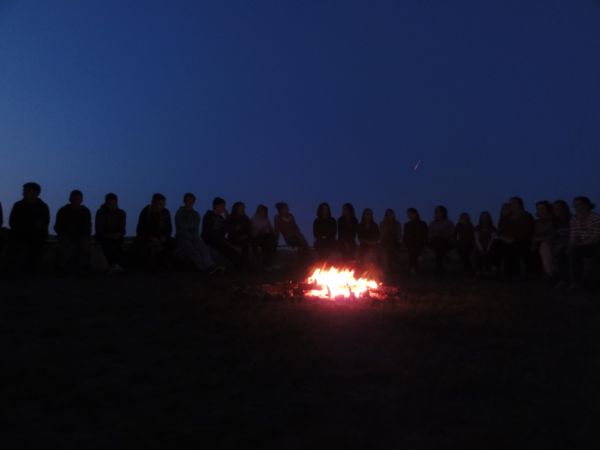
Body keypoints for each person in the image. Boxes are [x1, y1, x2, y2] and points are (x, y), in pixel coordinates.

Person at [8, 182, 51, 272]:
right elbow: (12, 222)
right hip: (20, 235)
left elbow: (44, 224)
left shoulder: (42, 207)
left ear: (35, 193)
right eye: (24, 191)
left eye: (26, 191)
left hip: (36, 236)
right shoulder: (18, 205)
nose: (23, 193)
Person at [174, 193, 220, 273]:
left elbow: (196, 227)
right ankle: (203, 269)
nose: (190, 202)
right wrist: (190, 229)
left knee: (203, 248)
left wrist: (193, 234)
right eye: (188, 200)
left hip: (194, 237)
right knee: (192, 251)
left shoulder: (196, 214)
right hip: (182, 238)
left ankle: (210, 265)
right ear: (184, 201)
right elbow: (182, 227)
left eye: (192, 201)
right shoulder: (180, 213)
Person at [54, 190, 92, 273]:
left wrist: (85, 236)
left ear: (81, 200)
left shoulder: (85, 211)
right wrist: (64, 233)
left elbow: (88, 227)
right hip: (66, 235)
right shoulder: (63, 211)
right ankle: (60, 268)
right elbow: (58, 226)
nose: (76, 201)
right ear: (70, 199)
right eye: (74, 199)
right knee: (64, 245)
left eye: (78, 199)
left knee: (85, 245)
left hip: (81, 236)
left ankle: (85, 268)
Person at [567, 196, 600, 290]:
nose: (575, 207)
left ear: (586, 205)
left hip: (595, 244)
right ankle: (576, 282)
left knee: (596, 254)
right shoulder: (574, 219)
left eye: (578, 205)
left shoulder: (596, 218)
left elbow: (596, 237)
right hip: (583, 244)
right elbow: (573, 235)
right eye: (574, 205)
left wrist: (578, 244)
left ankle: (593, 283)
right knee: (572, 252)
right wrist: (571, 246)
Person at [202, 197, 243, 270]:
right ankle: (240, 267)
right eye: (222, 206)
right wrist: (219, 238)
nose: (224, 208)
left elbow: (227, 229)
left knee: (233, 249)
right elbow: (208, 231)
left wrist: (227, 218)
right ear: (217, 206)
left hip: (219, 240)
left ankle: (241, 266)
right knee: (227, 249)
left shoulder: (221, 218)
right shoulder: (208, 215)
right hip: (211, 240)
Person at [498, 196, 534, 278]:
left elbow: (527, 231)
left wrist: (514, 239)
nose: (512, 205)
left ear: (520, 204)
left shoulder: (526, 216)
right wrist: (504, 237)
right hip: (506, 239)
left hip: (522, 240)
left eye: (514, 203)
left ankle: (513, 272)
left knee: (513, 247)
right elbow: (501, 230)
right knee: (496, 244)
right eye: (511, 203)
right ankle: (493, 269)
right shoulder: (506, 218)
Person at [135, 193, 174, 269]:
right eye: (160, 204)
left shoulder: (166, 213)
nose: (162, 206)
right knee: (140, 244)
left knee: (172, 243)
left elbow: (169, 228)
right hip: (148, 239)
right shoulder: (146, 212)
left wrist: (164, 237)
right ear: (153, 203)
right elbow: (140, 230)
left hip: (161, 239)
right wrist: (150, 238)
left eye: (163, 204)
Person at [95, 193, 127, 273]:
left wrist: (118, 234)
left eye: (114, 204)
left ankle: (116, 265)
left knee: (119, 243)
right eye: (110, 204)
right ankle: (114, 265)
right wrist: (108, 235)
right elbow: (99, 228)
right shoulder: (101, 213)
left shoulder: (121, 213)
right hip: (104, 236)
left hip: (117, 236)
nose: (112, 206)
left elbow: (122, 229)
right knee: (107, 244)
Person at [532, 201, 555, 279]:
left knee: (544, 246)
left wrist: (541, 238)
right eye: (538, 209)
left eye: (543, 208)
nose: (541, 211)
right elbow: (534, 235)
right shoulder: (537, 222)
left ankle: (549, 273)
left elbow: (553, 234)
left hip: (551, 242)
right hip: (539, 242)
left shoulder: (553, 220)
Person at [429, 205, 455, 274]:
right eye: (435, 211)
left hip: (446, 242)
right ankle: (443, 258)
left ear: (443, 213)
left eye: (437, 211)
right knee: (438, 242)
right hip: (435, 242)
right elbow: (430, 234)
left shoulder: (448, 222)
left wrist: (442, 234)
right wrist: (437, 234)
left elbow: (451, 233)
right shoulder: (432, 223)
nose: (435, 213)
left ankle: (439, 267)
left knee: (440, 244)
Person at [251, 204, 278, 270]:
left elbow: (270, 228)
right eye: (260, 210)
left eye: (263, 211)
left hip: (264, 238)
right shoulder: (254, 219)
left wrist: (274, 234)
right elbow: (253, 231)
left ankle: (266, 264)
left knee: (270, 239)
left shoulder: (266, 219)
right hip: (256, 238)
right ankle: (264, 265)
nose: (262, 212)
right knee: (268, 241)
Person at [551, 200, 571, 287]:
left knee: (562, 252)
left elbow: (574, 235)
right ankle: (551, 275)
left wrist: (563, 244)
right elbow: (553, 235)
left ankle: (563, 279)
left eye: (558, 208)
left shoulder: (571, 219)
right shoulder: (554, 222)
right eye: (554, 208)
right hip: (558, 243)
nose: (556, 210)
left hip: (570, 243)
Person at [404, 208, 428, 274]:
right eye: (408, 214)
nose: (409, 216)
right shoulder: (407, 225)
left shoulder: (422, 224)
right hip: (410, 244)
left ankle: (413, 268)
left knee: (414, 247)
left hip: (420, 243)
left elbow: (424, 235)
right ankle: (414, 267)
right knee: (412, 248)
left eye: (410, 214)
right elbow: (405, 236)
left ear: (415, 214)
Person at [474, 211, 498, 276]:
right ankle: (478, 269)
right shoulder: (477, 227)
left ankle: (487, 269)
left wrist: (488, 247)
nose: (484, 218)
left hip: (489, 245)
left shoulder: (492, 228)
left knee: (488, 254)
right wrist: (480, 247)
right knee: (478, 252)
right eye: (483, 217)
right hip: (479, 245)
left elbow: (492, 239)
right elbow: (476, 239)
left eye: (486, 217)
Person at [379, 208, 402, 274]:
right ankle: (386, 271)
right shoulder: (383, 223)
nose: (390, 215)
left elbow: (399, 235)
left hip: (394, 243)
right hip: (385, 243)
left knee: (393, 258)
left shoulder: (397, 223)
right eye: (388, 214)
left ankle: (393, 271)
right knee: (386, 256)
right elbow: (381, 235)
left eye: (391, 214)